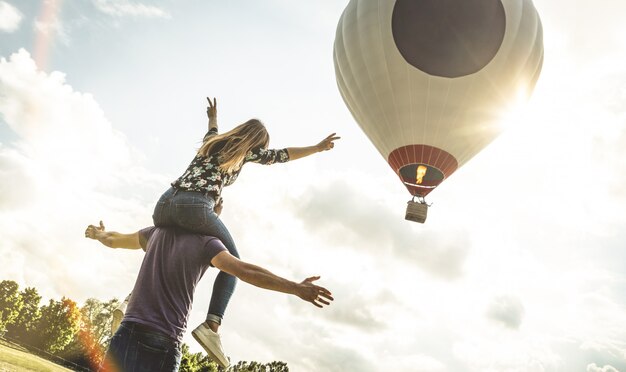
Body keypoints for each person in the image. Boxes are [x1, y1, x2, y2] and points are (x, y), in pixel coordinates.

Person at [152, 97, 339, 362]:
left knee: (163, 247)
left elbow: (213, 128)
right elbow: (283, 155)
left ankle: (131, 301)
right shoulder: (247, 151)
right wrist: (317, 148)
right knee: (232, 264)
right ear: (256, 142)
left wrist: (213, 115)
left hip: (164, 204)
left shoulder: (212, 142)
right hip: (194, 205)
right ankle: (212, 327)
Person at [85, 219, 333, 371]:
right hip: (165, 340)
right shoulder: (207, 243)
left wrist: (97, 234)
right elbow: (244, 270)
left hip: (128, 333)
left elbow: (113, 239)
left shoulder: (155, 233)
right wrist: (295, 288)